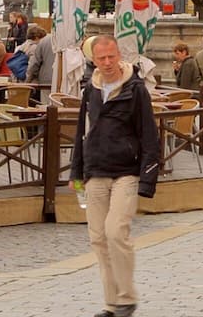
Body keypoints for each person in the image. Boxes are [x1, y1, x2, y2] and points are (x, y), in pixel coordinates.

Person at [68, 36, 162, 317]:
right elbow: (81, 133)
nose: (107, 63)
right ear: (93, 60)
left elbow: (149, 136)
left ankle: (127, 297)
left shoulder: (135, 89)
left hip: (126, 172)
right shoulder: (90, 89)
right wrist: (76, 173)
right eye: (101, 58)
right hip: (95, 170)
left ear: (118, 54)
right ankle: (112, 304)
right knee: (98, 237)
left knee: (115, 231)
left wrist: (148, 178)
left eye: (111, 57)